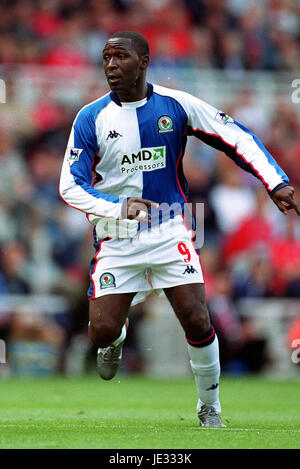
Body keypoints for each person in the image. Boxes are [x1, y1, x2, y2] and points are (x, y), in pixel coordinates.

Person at [59, 31, 299, 428]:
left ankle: (211, 409)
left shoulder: (177, 105)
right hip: (116, 235)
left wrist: (276, 182)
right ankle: (113, 339)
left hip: (170, 228)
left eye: (120, 57)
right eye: (105, 57)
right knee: (101, 330)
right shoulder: (91, 118)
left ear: (144, 62)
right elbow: (69, 184)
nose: (111, 65)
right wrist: (119, 207)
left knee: (196, 316)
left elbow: (234, 136)